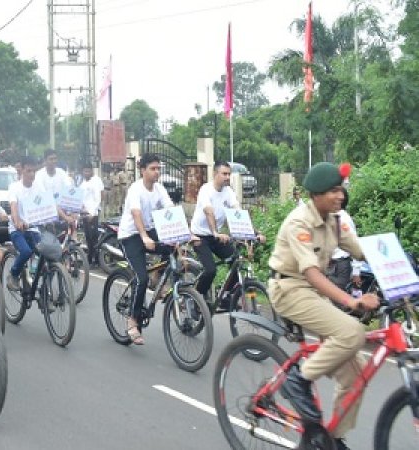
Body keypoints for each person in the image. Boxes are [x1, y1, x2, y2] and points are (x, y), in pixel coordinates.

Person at [269, 162, 379, 450]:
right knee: (352, 332)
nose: (340, 195)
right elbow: (311, 273)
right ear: (316, 194)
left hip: (312, 293)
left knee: (357, 372)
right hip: (290, 289)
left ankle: (333, 438)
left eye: (341, 189)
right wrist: (351, 301)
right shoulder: (299, 222)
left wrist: (400, 266)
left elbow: (362, 250)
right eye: (333, 191)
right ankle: (297, 380)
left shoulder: (334, 220)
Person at [189, 161, 265, 312]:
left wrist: (254, 233)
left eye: (229, 174)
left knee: (236, 261)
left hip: (217, 236)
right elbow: (209, 212)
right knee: (210, 270)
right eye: (224, 174)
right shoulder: (206, 190)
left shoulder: (228, 192)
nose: (227, 177)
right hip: (200, 236)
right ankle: (195, 299)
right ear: (215, 174)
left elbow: (238, 214)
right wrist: (215, 232)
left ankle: (225, 297)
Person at [117, 153, 174, 345]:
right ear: (143, 171)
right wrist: (143, 236)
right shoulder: (136, 189)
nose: (157, 172)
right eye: (153, 168)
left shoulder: (159, 189)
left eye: (159, 168)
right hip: (131, 235)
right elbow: (136, 213)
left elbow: (169, 209)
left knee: (173, 248)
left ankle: (157, 277)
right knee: (141, 279)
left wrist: (183, 232)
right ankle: (133, 320)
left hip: (149, 231)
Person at [7, 155, 74, 291]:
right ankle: (13, 274)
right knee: (26, 252)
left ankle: (44, 290)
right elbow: (14, 207)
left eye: (33, 171)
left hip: (34, 229)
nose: (31, 174)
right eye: (28, 171)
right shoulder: (14, 188)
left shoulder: (38, 186)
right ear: (22, 171)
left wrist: (64, 217)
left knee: (49, 255)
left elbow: (51, 203)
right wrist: (18, 221)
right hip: (17, 230)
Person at [327, 189, 362, 293]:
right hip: (330, 264)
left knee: (336, 297)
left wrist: (356, 272)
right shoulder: (330, 217)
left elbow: (355, 245)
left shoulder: (343, 219)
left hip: (340, 265)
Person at [80, 164, 104, 264]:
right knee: (88, 237)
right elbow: (81, 198)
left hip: (93, 213)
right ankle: (90, 258)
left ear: (92, 171)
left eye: (88, 171)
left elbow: (99, 197)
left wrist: (93, 213)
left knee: (94, 237)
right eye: (84, 171)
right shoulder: (82, 183)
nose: (86, 173)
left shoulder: (96, 181)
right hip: (85, 213)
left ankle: (97, 259)